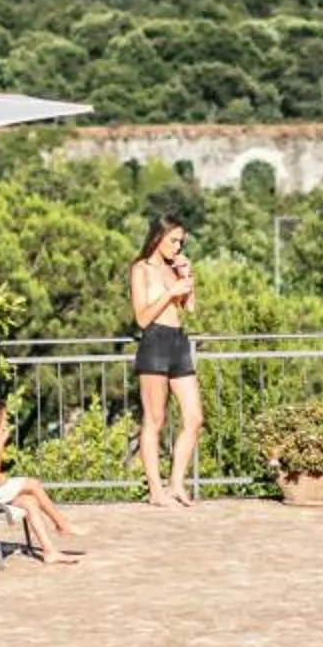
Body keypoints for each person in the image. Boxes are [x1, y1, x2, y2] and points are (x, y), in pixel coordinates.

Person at [128, 214, 204, 507]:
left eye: (181, 242)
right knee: (155, 420)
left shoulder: (175, 269)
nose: (177, 247)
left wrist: (186, 278)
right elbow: (142, 318)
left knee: (194, 418)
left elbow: (191, 309)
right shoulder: (141, 270)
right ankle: (156, 492)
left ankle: (176, 484)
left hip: (178, 340)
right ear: (158, 238)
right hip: (155, 341)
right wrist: (170, 292)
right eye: (173, 241)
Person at [0, 396, 86, 562]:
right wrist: (0, 444)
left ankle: (49, 551)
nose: (6, 422)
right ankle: (62, 524)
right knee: (32, 484)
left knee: (29, 501)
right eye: (4, 417)